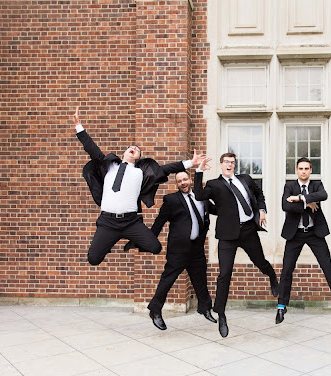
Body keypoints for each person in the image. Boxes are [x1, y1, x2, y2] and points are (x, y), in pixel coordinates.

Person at [73, 107, 204, 264]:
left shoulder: (141, 172)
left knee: (155, 247)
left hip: (130, 222)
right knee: (93, 259)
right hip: (107, 222)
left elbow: (165, 169)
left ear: (139, 157)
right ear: (125, 153)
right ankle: (110, 239)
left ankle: (133, 239)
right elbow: (91, 149)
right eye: (131, 147)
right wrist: (79, 127)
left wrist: (191, 163)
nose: (134, 149)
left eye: (137, 150)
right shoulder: (109, 167)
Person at [194, 153, 279, 338]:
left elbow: (259, 193)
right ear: (221, 164)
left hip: (248, 230)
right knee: (224, 274)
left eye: (232, 162)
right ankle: (221, 314)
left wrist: (262, 210)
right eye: (226, 162)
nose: (229, 165)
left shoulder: (245, 179)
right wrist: (199, 170)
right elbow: (199, 195)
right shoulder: (214, 185)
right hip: (227, 236)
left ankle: (272, 276)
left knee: (260, 261)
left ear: (235, 165)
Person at [276, 158, 331, 324]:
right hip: (294, 235)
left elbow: (323, 195)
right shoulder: (289, 186)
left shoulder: (317, 184)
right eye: (301, 168)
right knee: (287, 270)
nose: (303, 171)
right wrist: (307, 204)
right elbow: (285, 206)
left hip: (314, 233)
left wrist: (300, 198)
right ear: (296, 170)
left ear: (311, 170)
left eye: (307, 168)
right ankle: (281, 306)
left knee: (328, 268)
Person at [147, 171, 217, 330]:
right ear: (177, 184)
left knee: (200, 280)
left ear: (190, 180)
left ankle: (205, 308)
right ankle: (155, 309)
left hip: (197, 248)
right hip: (178, 249)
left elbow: (217, 210)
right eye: (179, 181)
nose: (183, 183)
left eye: (185, 179)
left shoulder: (202, 198)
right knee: (168, 280)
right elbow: (159, 222)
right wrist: (148, 241)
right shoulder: (171, 200)